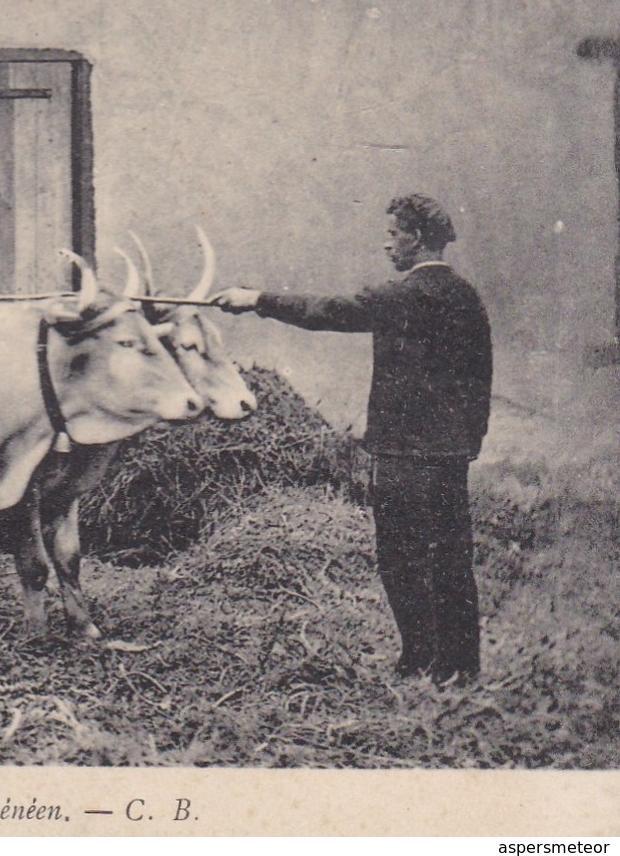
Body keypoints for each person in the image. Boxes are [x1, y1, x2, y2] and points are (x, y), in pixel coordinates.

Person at [211, 193, 492, 685]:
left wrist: (256, 300)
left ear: (417, 239)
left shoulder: (399, 297)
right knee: (450, 556)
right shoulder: (466, 296)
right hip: (449, 455)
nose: (387, 245)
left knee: (400, 557)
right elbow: (480, 376)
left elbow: (326, 311)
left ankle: (419, 660)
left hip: (404, 455)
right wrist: (469, 441)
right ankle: (461, 667)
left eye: (393, 234)